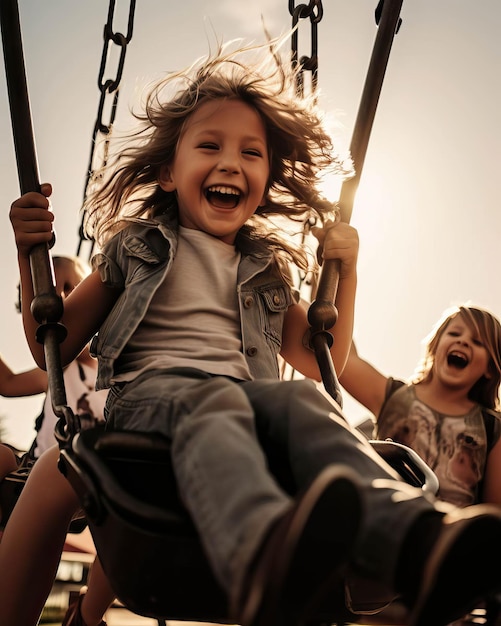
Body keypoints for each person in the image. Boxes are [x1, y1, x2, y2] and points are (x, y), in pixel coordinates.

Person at [3, 40, 501, 626]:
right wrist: (27, 253)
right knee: (216, 398)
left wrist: (350, 274)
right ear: (168, 171)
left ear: (266, 177)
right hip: (151, 403)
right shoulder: (133, 249)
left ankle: (410, 538)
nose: (231, 163)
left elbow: (324, 361)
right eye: (209, 146)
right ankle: (261, 547)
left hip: (245, 406)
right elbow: (53, 343)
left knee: (299, 398)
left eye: (251, 153)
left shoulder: (264, 271)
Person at [340, 304, 501, 508]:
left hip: (446, 529)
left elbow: (493, 510)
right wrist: (329, 280)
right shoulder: (393, 396)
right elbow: (344, 357)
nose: (463, 341)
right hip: (386, 509)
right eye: (454, 333)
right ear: (436, 346)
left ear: (489, 367)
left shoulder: (492, 428)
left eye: (477, 342)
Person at [0, 255, 106, 524]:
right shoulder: (58, 372)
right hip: (39, 473)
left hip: (100, 486)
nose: (59, 301)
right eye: (51, 293)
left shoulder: (118, 371)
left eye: (70, 287)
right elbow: (7, 383)